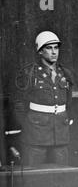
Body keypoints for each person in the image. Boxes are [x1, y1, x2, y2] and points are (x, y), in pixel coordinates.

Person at [13, 31, 74, 166]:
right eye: (49, 48)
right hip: (36, 133)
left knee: (62, 174)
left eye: (56, 48)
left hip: (60, 133)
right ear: (40, 51)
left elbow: (69, 101)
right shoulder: (29, 73)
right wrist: (28, 125)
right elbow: (19, 104)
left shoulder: (65, 73)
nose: (54, 52)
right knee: (34, 175)